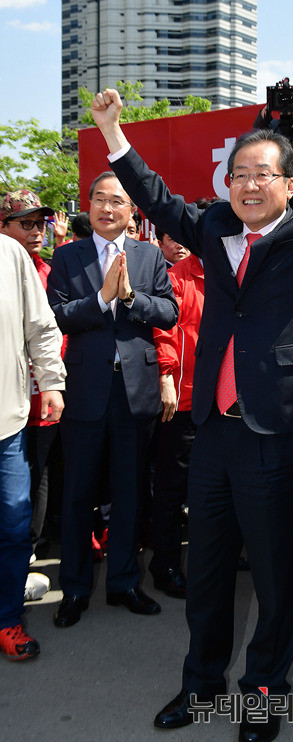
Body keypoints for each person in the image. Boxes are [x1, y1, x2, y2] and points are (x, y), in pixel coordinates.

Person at [92, 55, 293, 741]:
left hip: (275, 430)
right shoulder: (215, 227)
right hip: (212, 431)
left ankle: (264, 698)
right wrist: (112, 132)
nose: (248, 183)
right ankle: (200, 685)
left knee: (274, 578)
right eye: (238, 173)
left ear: (288, 183)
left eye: (262, 174)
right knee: (210, 568)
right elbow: (157, 200)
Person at [46, 171, 178, 629]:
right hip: (85, 392)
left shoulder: (149, 255)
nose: (107, 207)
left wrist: (131, 297)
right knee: (78, 495)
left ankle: (124, 582)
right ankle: (74, 589)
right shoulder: (68, 256)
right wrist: (102, 299)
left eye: (117, 200)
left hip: (135, 393)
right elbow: (57, 316)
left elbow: (169, 312)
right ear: (89, 206)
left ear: (131, 210)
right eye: (99, 199)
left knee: (129, 494)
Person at [0, 233, 65, 661]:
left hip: (8, 422)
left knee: (14, 523)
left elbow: (40, 327)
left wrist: (52, 382)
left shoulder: (10, 255)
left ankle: (7, 618)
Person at [0, 190, 63, 573]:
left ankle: (28, 554)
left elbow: (47, 331)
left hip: (37, 402)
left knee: (34, 482)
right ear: (3, 225)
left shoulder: (48, 271)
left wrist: (52, 381)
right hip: (13, 406)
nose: (37, 231)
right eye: (27, 223)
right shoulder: (12, 264)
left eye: (41, 224)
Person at [150, 248, 205, 598]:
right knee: (172, 488)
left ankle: (215, 556)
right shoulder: (178, 277)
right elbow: (163, 329)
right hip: (183, 402)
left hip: (222, 403)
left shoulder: (234, 271)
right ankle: (165, 565)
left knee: (216, 488)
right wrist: (166, 375)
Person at [253, 92, 293, 210]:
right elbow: (258, 127)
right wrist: (272, 102)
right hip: (282, 184)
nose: (290, 109)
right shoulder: (274, 126)